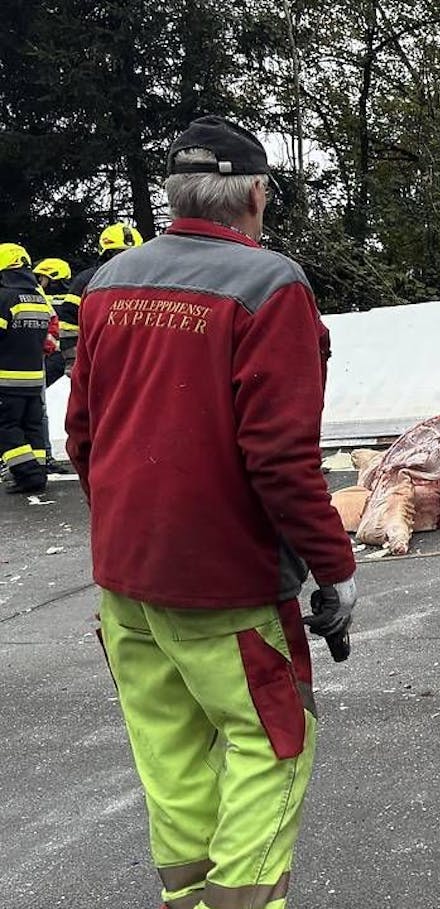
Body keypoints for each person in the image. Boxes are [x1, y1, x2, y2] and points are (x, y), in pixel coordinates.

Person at [64, 116, 357, 909]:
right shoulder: (271, 287)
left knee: (172, 755)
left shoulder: (110, 282)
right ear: (256, 195)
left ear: (174, 195)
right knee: (274, 744)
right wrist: (334, 568)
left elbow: (82, 435)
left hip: (125, 585)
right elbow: (281, 459)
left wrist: (133, 526)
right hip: (223, 589)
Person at [0, 242, 54, 495]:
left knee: (6, 427)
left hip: (5, 378)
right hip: (33, 378)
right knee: (31, 426)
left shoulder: (4, 297)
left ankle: (29, 474)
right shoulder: (38, 298)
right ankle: (38, 472)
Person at [33, 257, 76, 472]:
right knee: (38, 410)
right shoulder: (72, 296)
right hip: (55, 356)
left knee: (30, 410)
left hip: (40, 358)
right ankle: (44, 456)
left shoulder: (36, 297)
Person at [68, 222, 144, 300]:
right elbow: (70, 310)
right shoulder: (86, 280)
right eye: (122, 253)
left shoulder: (86, 279)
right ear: (108, 254)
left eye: (134, 254)